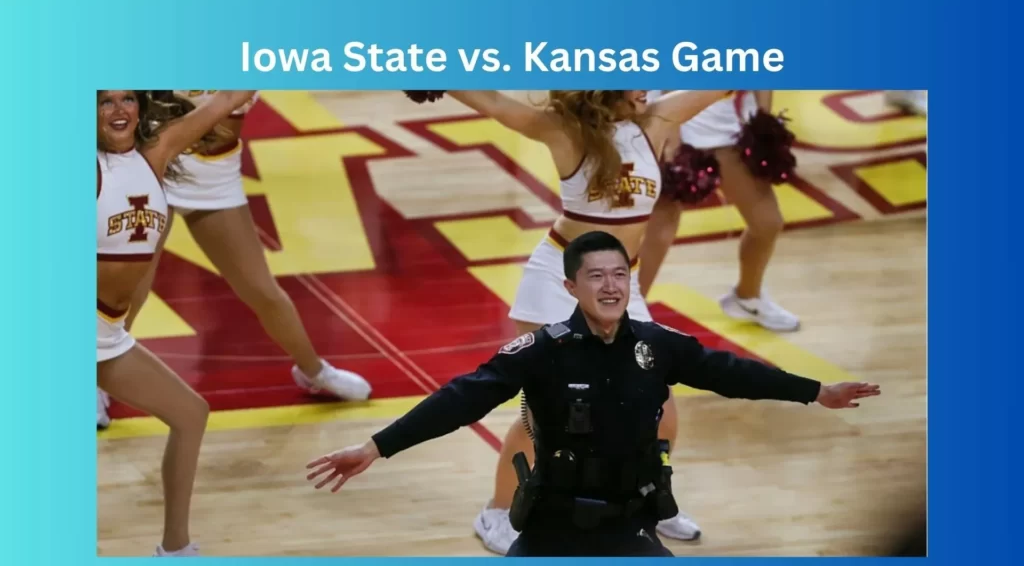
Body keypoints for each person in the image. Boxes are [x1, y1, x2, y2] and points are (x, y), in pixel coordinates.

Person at [305, 231, 881, 557]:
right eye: (597, 276)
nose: (611, 286)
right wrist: (376, 447)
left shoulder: (658, 345)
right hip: (553, 526)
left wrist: (816, 391)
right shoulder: (541, 351)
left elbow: (732, 373)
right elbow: (461, 399)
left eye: (620, 275)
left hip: (631, 522)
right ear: (570, 286)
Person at [406, 89, 733, 552]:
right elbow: (496, 105)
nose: (647, 85)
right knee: (548, 413)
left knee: (658, 406)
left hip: (620, 284)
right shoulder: (566, 132)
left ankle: (646, 502)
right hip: (559, 280)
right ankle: (498, 510)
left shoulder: (656, 120)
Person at [97, 90, 372, 430]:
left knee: (262, 290)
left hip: (215, 179)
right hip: (151, 169)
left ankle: (313, 371)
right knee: (130, 293)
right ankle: (94, 381)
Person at [97, 89, 257, 556]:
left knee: (190, 414)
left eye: (127, 100)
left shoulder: (156, 154)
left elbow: (228, 98)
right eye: (105, 102)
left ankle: (175, 550)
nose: (119, 110)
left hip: (107, 333)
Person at [639, 90, 800, 332]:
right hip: (671, 124)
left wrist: (764, 121)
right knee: (659, 233)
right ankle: (626, 315)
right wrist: (670, 130)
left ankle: (748, 297)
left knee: (767, 222)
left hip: (727, 131)